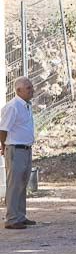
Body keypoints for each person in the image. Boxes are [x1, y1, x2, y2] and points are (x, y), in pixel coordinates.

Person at [1, 76, 36, 230]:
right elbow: (3, 129)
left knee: (22, 183)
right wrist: (3, 146)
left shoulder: (26, 105)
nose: (31, 90)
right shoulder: (13, 106)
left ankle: (20, 216)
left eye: (31, 87)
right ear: (19, 90)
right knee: (14, 184)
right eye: (28, 88)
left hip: (26, 148)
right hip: (15, 149)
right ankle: (12, 218)